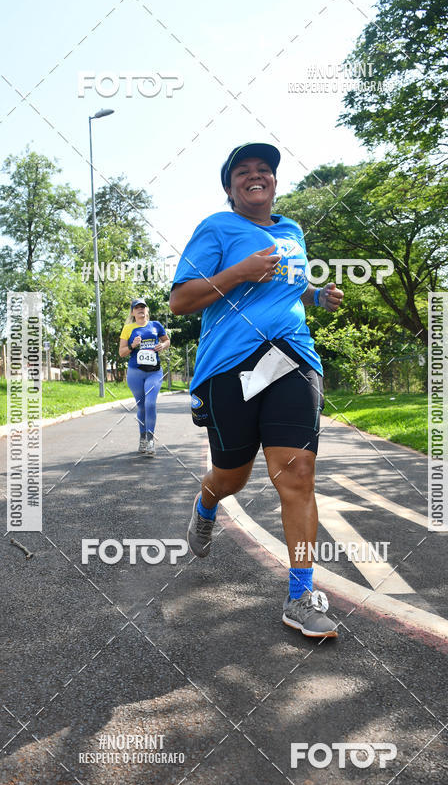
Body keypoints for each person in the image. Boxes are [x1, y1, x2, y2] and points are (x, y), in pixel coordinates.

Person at [169, 142, 344, 638]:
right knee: (232, 476)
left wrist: (317, 296)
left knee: (297, 475)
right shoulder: (216, 229)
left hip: (292, 358)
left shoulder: (292, 231)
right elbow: (181, 300)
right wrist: (239, 272)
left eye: (263, 170)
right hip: (229, 366)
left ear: (273, 182)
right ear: (230, 188)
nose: (255, 176)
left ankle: (301, 596)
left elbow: (289, 287)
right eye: (243, 172)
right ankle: (206, 505)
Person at [119, 298, 170, 455]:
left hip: (154, 371)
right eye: (137, 308)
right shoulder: (128, 329)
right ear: (133, 312)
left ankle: (150, 440)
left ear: (147, 311)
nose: (140, 310)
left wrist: (162, 345)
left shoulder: (156, 325)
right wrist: (132, 345)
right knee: (141, 406)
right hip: (135, 372)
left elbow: (167, 340)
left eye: (143, 307)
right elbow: (122, 353)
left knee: (150, 404)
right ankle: (142, 438)